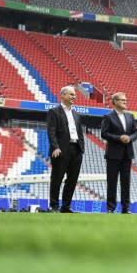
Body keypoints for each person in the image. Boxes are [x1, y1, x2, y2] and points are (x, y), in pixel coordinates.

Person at [46, 85, 85, 213]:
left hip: (76, 149)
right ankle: (54, 206)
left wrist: (81, 149)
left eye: (74, 94)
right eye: (71, 94)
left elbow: (79, 132)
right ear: (62, 95)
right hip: (61, 149)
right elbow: (51, 131)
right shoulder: (54, 111)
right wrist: (55, 147)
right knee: (57, 178)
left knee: (72, 179)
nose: (74, 96)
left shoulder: (76, 114)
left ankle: (66, 206)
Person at [101, 92, 137, 213]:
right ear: (115, 101)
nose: (125, 102)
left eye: (125, 100)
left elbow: (136, 132)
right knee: (112, 182)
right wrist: (119, 138)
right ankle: (110, 208)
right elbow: (104, 133)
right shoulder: (108, 117)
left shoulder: (130, 116)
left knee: (126, 182)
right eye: (122, 100)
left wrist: (130, 138)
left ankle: (125, 208)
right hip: (113, 154)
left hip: (127, 154)